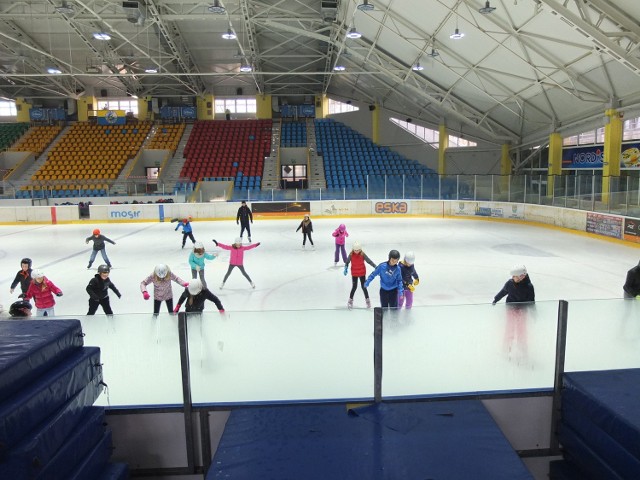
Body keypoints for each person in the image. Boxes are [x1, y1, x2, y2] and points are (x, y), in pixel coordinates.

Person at [343, 241, 377, 309]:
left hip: (362, 273)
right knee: (354, 287)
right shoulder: (351, 255)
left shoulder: (362, 254)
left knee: (364, 287)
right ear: (353, 249)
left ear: (360, 249)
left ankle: (368, 301)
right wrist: (346, 267)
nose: (356, 251)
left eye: (358, 250)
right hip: (354, 274)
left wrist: (375, 266)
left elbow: (368, 261)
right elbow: (347, 262)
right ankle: (350, 301)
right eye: (355, 250)